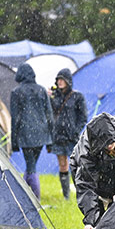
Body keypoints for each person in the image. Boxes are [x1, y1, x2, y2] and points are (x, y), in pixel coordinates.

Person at [10, 62, 54, 200]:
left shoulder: (16, 92)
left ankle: (35, 199)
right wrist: (50, 139)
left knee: (30, 166)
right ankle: (25, 195)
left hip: (25, 134)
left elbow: (15, 118)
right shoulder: (41, 90)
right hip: (41, 134)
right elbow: (49, 115)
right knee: (31, 165)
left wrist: (14, 140)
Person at [48, 68, 87, 200]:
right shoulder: (55, 96)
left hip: (72, 137)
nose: (59, 82)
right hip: (58, 136)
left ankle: (79, 194)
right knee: (63, 165)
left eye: (62, 80)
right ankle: (66, 196)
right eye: (58, 79)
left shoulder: (77, 97)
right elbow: (50, 113)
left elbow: (83, 117)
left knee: (75, 165)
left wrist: (75, 131)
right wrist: (49, 97)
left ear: (68, 81)